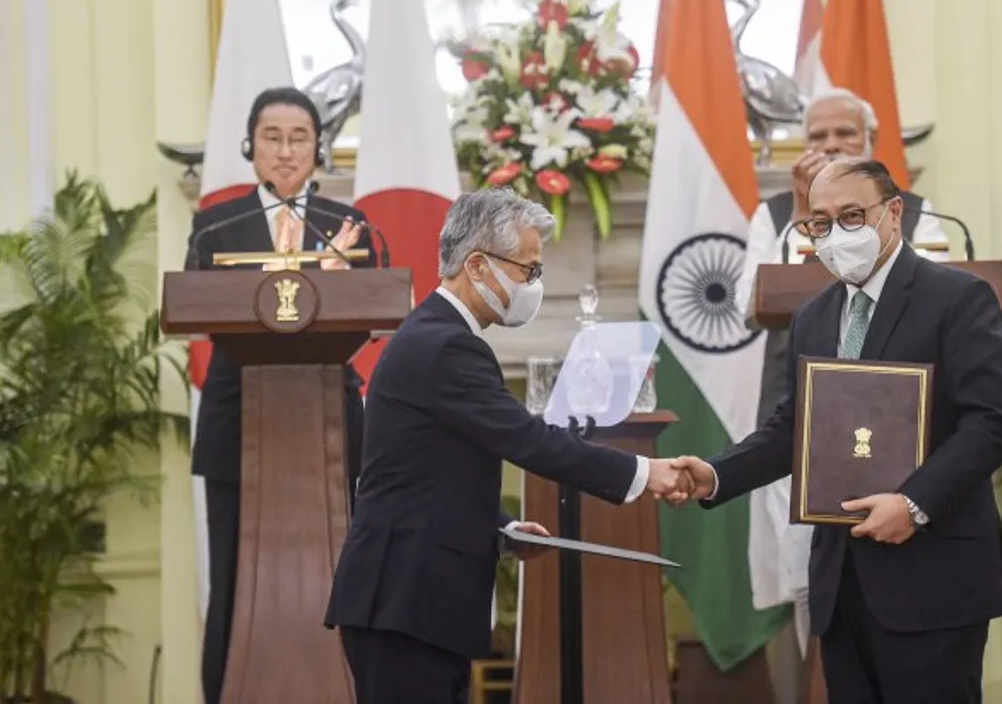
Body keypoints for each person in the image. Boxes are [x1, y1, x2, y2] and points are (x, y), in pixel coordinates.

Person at [669, 157, 1002, 704]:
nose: (836, 234)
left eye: (853, 216)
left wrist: (913, 505)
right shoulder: (813, 316)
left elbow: (995, 422)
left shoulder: (956, 298)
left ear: (894, 213)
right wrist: (715, 474)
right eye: (820, 222)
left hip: (933, 576)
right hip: (842, 580)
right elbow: (796, 428)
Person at [323, 188, 692, 704]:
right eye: (529, 270)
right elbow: (528, 440)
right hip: (404, 602)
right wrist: (643, 473)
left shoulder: (438, 334)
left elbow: (427, 472)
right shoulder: (446, 344)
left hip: (413, 604)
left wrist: (500, 526)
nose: (532, 285)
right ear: (477, 264)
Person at [734, 88, 953, 680]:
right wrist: (812, 218)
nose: (828, 146)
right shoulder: (775, 216)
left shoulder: (918, 208)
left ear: (871, 147)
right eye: (817, 138)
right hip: (807, 424)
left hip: (901, 433)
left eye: (843, 137)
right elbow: (748, 301)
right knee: (809, 573)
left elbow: (928, 279)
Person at [187, 86, 374, 704]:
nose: (286, 151)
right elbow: (194, 309)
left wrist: (343, 283)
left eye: (300, 138)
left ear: (319, 148)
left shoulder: (348, 227)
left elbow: (375, 306)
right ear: (250, 147)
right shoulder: (217, 223)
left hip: (329, 428)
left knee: (338, 574)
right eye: (273, 137)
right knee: (233, 581)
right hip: (237, 422)